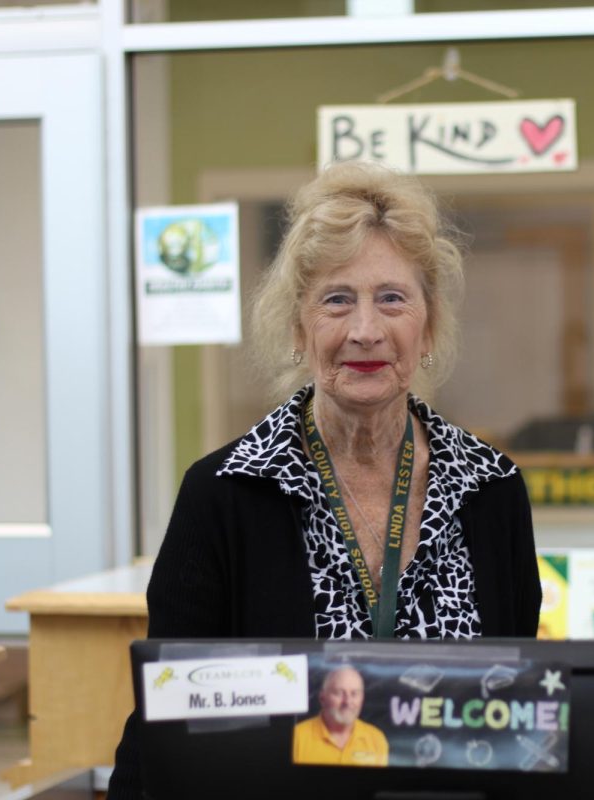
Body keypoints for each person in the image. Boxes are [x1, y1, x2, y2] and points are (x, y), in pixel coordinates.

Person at [108, 160, 540, 796]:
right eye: (337, 300)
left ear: (429, 325)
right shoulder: (225, 493)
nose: (365, 330)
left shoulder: (491, 489)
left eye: (392, 298)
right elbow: (171, 721)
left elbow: (516, 713)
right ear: (297, 327)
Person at [292, 666, 388, 766]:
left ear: (362, 698)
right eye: (339, 693)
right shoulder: (297, 738)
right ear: (322, 698)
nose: (347, 702)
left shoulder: (376, 739)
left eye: (354, 694)